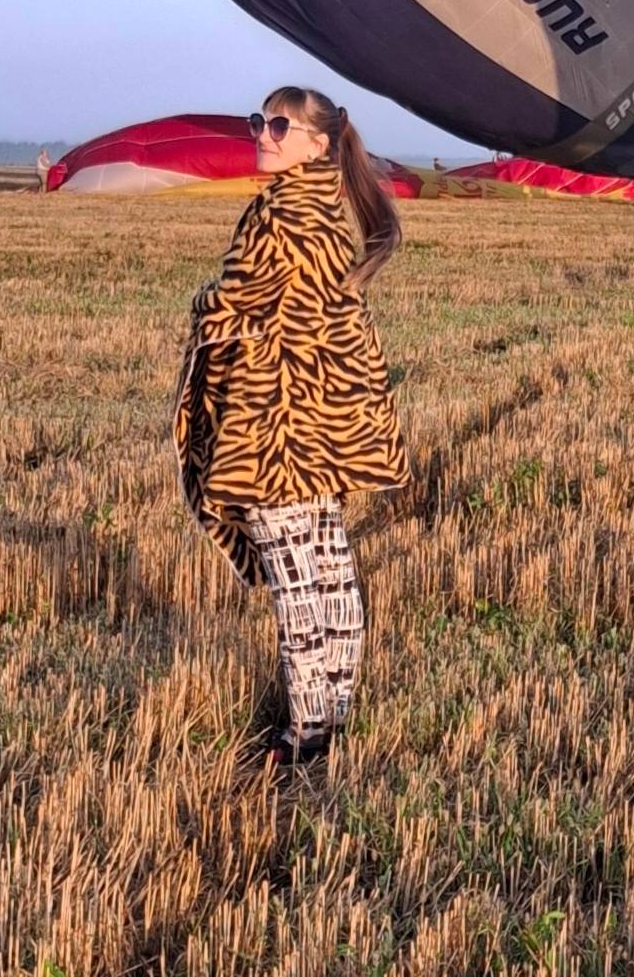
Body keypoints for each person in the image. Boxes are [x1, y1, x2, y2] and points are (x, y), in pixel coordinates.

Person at [174, 85, 409, 771]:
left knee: (298, 589)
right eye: (260, 121)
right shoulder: (330, 216)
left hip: (271, 435)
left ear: (318, 143)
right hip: (321, 433)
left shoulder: (279, 215)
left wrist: (202, 307)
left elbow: (232, 301)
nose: (265, 133)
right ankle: (330, 716)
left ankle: (304, 738)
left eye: (281, 125)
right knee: (331, 574)